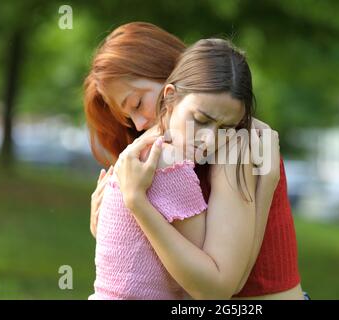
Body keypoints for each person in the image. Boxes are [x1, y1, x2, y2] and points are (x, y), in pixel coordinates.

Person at [84, 22, 303, 299]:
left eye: (138, 103)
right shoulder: (170, 152)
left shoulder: (232, 144)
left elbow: (219, 287)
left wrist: (135, 204)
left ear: (170, 86)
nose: (139, 126)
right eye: (128, 116)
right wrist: (109, 223)